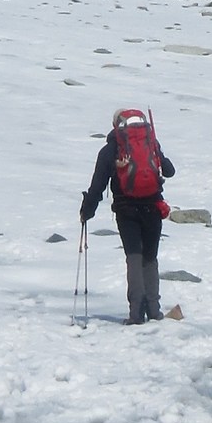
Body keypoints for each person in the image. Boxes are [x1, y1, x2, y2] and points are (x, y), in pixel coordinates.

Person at [81, 106, 176, 323]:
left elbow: (97, 187)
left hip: (126, 210)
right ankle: (154, 310)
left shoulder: (110, 150)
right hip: (153, 207)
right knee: (150, 258)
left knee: (134, 258)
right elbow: (170, 171)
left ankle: (136, 314)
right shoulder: (150, 143)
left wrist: (87, 212)